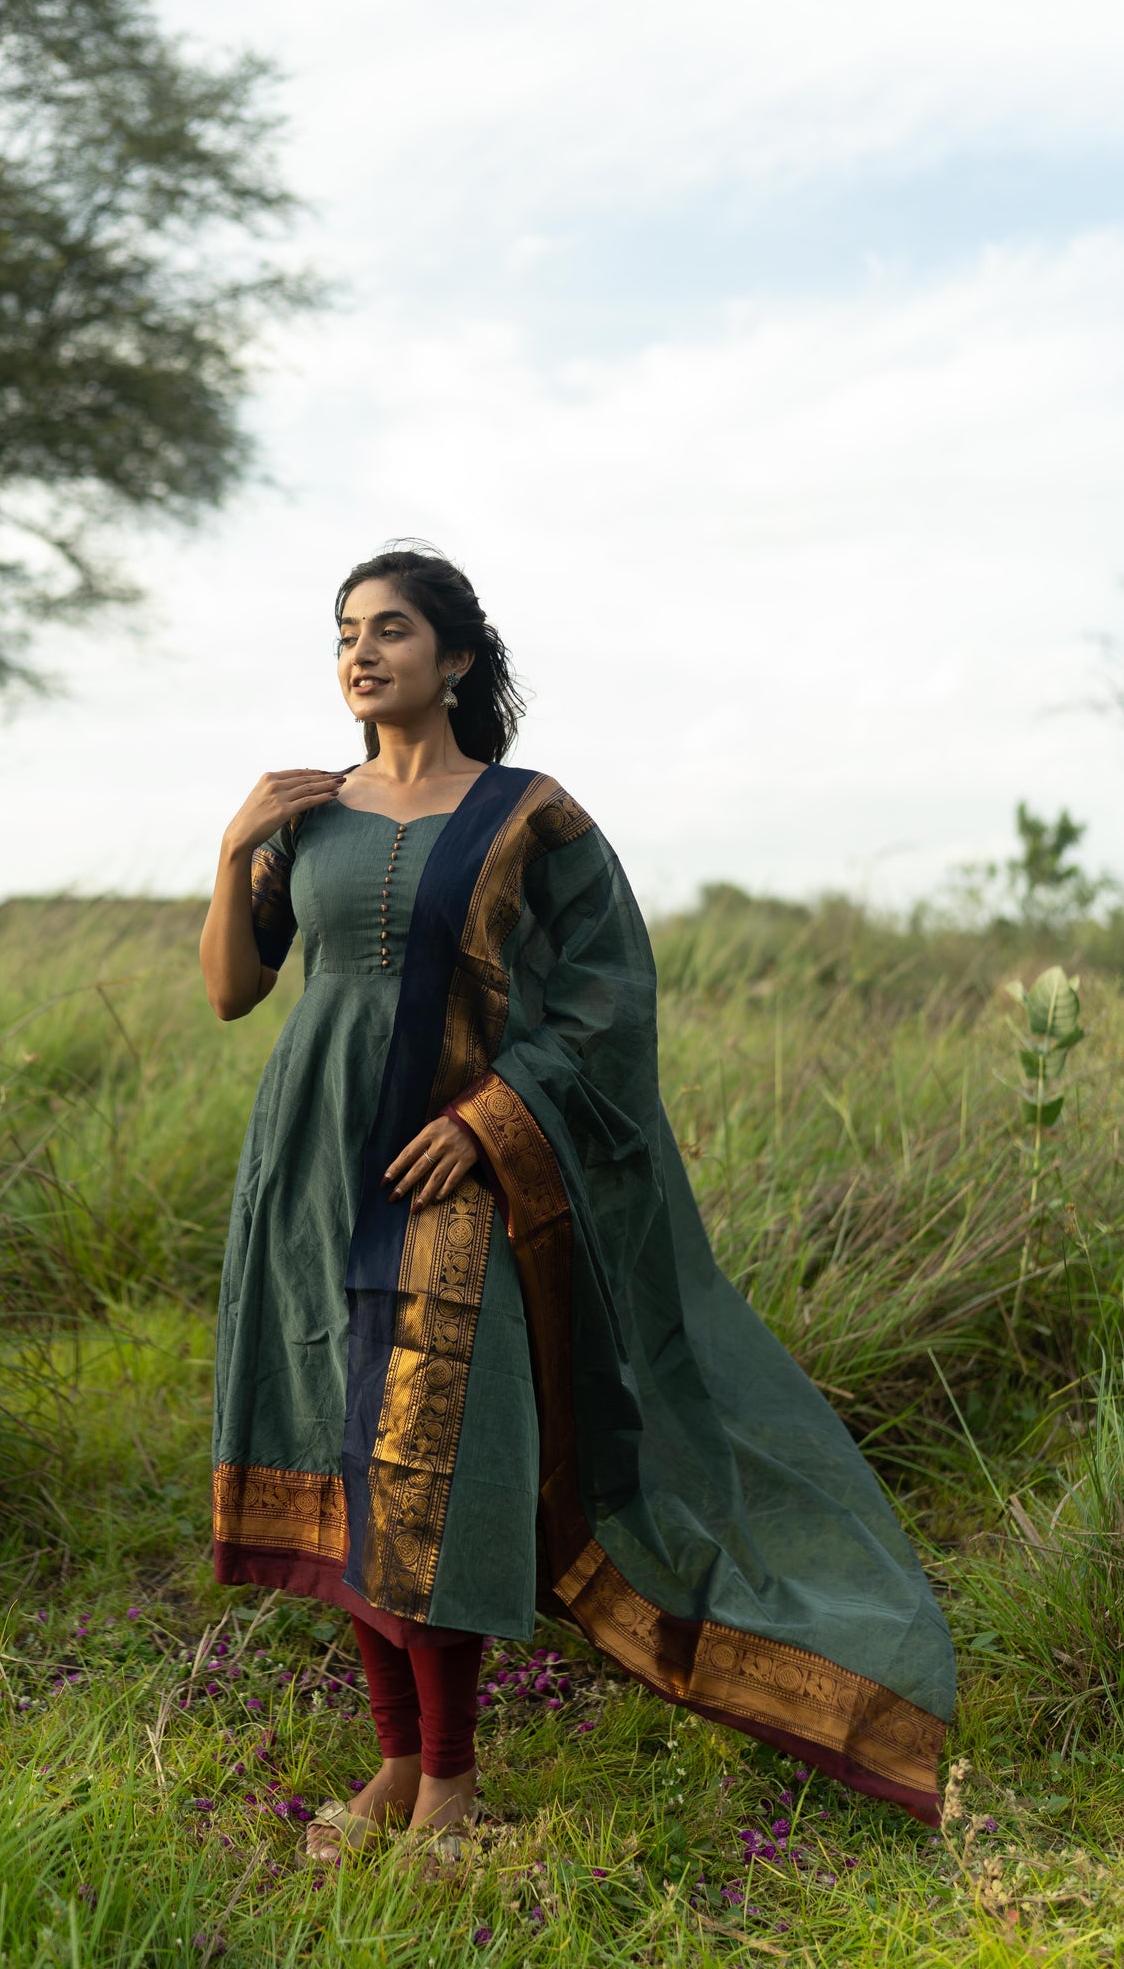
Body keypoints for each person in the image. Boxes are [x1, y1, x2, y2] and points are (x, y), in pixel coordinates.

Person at [199, 547, 954, 1862]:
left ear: (457, 660)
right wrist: (233, 849)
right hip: (308, 1170)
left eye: (390, 632)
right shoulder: (303, 813)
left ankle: (449, 1784)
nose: (361, 655)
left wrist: (488, 1128)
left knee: (431, 1458)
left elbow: (606, 1004)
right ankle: (389, 1765)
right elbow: (230, 990)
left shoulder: (525, 816)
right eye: (343, 635)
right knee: (334, 1451)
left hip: (450, 1173)